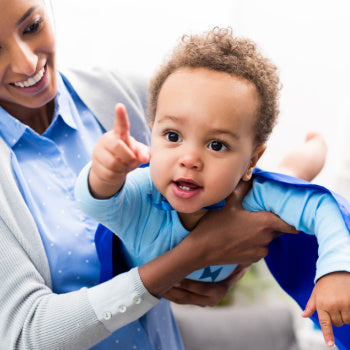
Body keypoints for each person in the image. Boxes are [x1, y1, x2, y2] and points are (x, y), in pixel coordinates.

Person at [0, 1, 307, 349]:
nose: (26, 62)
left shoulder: (127, 95)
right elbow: (24, 335)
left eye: (32, 26)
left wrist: (227, 268)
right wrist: (192, 257)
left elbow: (235, 176)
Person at [75, 28, 350, 348]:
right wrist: (106, 173)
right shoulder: (143, 192)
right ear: (152, 133)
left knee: (290, 175)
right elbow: (96, 203)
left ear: (251, 158)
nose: (189, 159)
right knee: (284, 179)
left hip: (251, 186)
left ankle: (316, 147)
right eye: (173, 137)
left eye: (216, 144)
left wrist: (335, 270)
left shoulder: (256, 193)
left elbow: (323, 208)